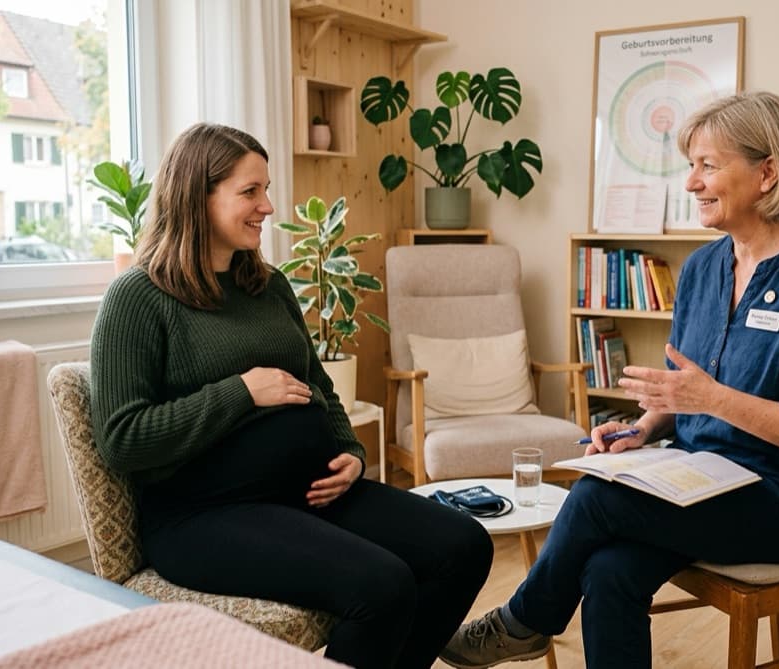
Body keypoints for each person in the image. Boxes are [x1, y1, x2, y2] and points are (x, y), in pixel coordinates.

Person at [440, 91, 779, 669]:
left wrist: (712, 400)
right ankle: (529, 623)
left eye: (708, 165)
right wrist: (642, 430)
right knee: (608, 568)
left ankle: (524, 623)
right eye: (690, 165)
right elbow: (686, 386)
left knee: (596, 497)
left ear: (768, 172)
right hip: (704, 481)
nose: (692, 183)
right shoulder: (702, 269)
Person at [89, 122, 493, 669]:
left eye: (267, 189)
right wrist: (240, 392)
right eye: (250, 191)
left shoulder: (267, 284)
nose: (269, 206)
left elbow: (319, 386)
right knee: (382, 585)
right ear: (196, 195)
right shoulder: (138, 297)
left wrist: (351, 452)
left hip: (302, 493)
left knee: (464, 547)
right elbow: (122, 439)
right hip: (201, 515)